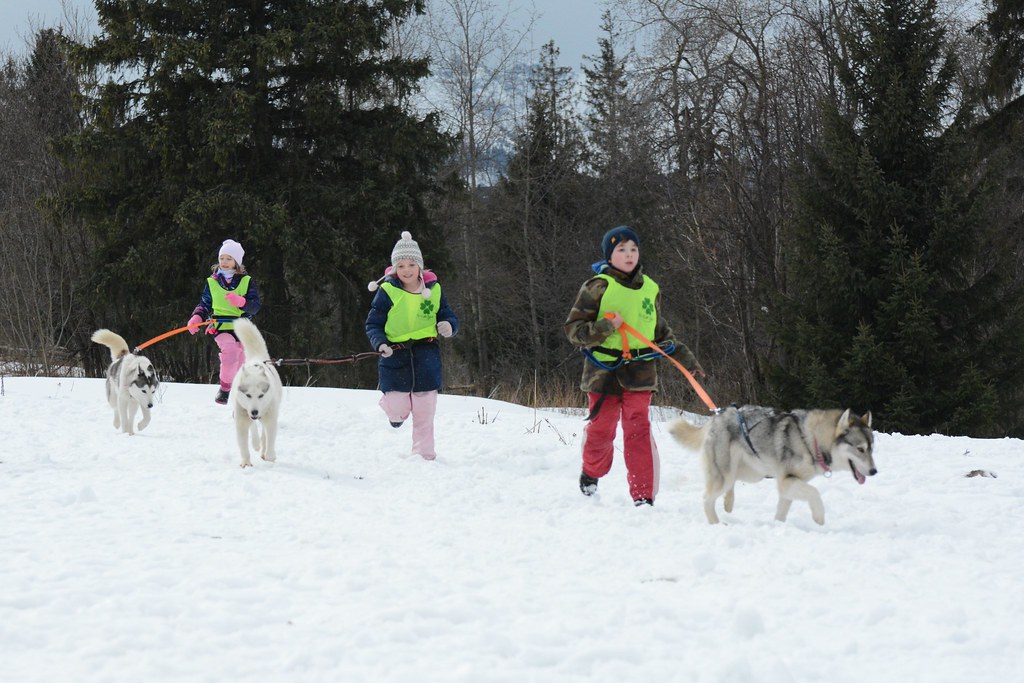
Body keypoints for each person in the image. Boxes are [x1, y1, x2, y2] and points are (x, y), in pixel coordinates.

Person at [564, 225, 704, 506]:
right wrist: (605, 326)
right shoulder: (597, 287)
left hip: (640, 372)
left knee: (637, 430)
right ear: (610, 256)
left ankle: (643, 496)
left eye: (633, 249)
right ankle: (592, 473)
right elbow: (573, 331)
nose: (629, 255)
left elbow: (661, 332)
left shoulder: (649, 288)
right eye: (621, 250)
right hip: (602, 373)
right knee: (602, 428)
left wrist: (689, 363)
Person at [365, 231, 458, 460]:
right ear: (395, 268)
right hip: (395, 356)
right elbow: (373, 323)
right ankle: (393, 410)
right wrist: (380, 344)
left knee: (425, 412)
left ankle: (424, 455)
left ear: (420, 266)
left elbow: (447, 314)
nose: (406, 270)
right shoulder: (388, 291)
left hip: (426, 356)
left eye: (411, 264)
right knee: (399, 410)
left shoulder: (433, 290)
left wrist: (448, 325)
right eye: (401, 265)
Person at [188, 238, 262, 404]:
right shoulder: (212, 282)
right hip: (221, 327)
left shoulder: (246, 281)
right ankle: (225, 389)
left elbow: (255, 306)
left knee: (242, 361)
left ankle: (241, 393)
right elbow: (204, 304)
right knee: (230, 353)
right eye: (222, 258)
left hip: (243, 328)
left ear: (236, 261)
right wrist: (196, 317)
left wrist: (242, 302)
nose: (224, 262)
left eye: (229, 259)